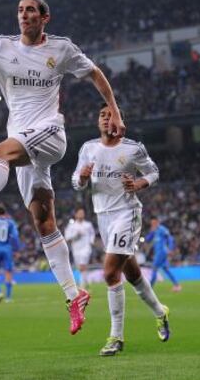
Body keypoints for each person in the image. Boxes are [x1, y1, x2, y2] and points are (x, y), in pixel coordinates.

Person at [0, 0, 125, 334]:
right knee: (44, 222)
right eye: (20, 10)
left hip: (50, 133)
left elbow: (95, 73)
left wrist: (113, 108)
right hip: (23, 142)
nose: (24, 15)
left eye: (31, 11)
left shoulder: (61, 49)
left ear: (44, 17)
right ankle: (74, 294)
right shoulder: (0, 47)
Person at [72, 103, 170, 356]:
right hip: (102, 217)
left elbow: (154, 172)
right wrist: (82, 177)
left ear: (119, 122)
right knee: (133, 274)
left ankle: (116, 337)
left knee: (109, 273)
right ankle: (160, 311)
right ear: (98, 122)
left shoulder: (133, 148)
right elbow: (75, 182)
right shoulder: (88, 148)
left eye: (110, 115)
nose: (106, 119)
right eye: (102, 115)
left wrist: (138, 184)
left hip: (127, 214)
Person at [145, 216, 181, 291]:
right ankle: (177, 285)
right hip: (158, 252)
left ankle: (149, 288)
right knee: (166, 269)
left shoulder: (162, 229)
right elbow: (147, 240)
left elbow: (170, 238)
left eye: (154, 223)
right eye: (152, 223)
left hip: (162, 252)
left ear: (158, 222)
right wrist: (151, 232)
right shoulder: (154, 231)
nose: (153, 224)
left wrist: (170, 249)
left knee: (154, 268)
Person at [64, 207, 95, 289]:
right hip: (76, 249)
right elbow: (67, 237)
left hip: (86, 248)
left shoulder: (88, 225)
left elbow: (92, 233)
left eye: (83, 213)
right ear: (76, 214)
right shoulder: (72, 226)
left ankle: (82, 287)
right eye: (80, 213)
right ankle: (86, 282)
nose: (81, 214)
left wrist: (91, 242)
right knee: (80, 267)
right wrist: (75, 235)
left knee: (82, 266)